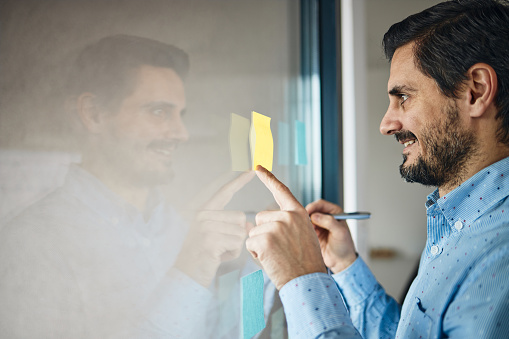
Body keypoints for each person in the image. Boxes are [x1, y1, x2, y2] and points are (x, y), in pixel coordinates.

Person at [246, 0, 509, 338]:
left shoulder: (498, 253)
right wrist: (343, 264)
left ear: (476, 91)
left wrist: (302, 279)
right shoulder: (463, 223)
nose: (386, 124)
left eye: (404, 98)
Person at [0, 34, 253, 338]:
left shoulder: (180, 229)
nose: (181, 133)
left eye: (180, 115)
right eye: (159, 112)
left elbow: (218, 334)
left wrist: (265, 268)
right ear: (93, 115)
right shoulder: (31, 246)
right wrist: (189, 272)